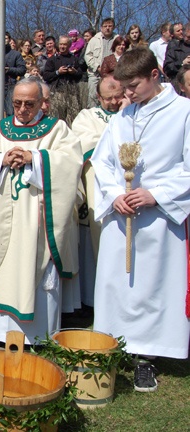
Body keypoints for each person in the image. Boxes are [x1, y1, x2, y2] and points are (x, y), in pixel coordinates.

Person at [92, 47, 190, 392]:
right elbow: (102, 162)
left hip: (159, 218)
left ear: (155, 75)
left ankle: (147, 356)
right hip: (122, 215)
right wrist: (114, 194)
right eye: (123, 88)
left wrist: (156, 194)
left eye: (133, 86)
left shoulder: (183, 112)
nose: (127, 95)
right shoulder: (122, 116)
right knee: (115, 284)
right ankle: (110, 346)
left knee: (151, 287)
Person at [0, 76, 82, 347]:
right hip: (1, 216)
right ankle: (0, 333)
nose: (22, 109)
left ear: (42, 103)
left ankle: (38, 336)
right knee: (3, 272)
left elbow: (70, 164)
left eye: (29, 104)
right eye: (17, 103)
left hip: (39, 218)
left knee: (38, 271)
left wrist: (37, 159)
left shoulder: (57, 129)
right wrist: (1, 160)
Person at [71, 75, 125, 309]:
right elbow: (82, 142)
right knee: (98, 238)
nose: (113, 102)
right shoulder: (88, 116)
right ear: (98, 97)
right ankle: (95, 301)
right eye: (108, 98)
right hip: (97, 187)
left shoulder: (133, 113)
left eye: (118, 97)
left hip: (129, 186)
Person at [0, 32, 26, 119]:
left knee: (10, 112)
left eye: (6, 38)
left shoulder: (16, 54)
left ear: (9, 40)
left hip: (11, 86)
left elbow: (22, 69)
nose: (4, 40)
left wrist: (9, 70)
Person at [85, 17, 117, 107]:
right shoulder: (94, 39)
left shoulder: (118, 39)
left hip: (112, 75)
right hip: (95, 74)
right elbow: (87, 56)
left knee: (111, 96)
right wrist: (97, 67)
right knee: (93, 98)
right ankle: (92, 118)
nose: (107, 28)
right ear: (101, 28)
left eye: (110, 26)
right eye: (105, 26)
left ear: (113, 27)